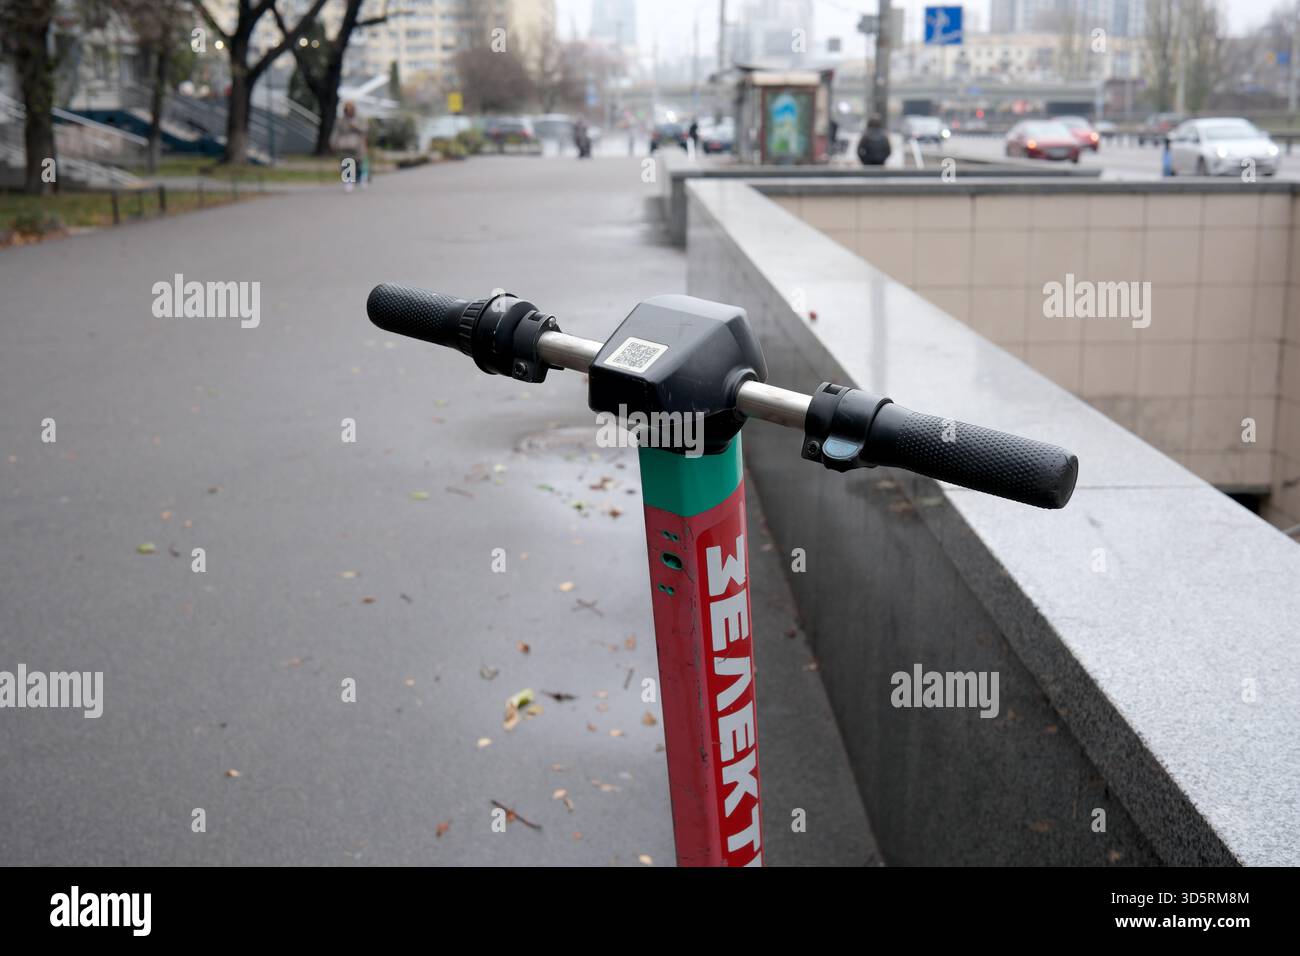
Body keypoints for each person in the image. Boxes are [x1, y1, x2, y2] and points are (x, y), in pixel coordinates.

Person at [331, 100, 370, 192]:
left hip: (358, 145)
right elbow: (336, 132)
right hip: (345, 145)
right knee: (346, 162)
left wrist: (355, 126)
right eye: (346, 110)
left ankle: (361, 179)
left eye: (350, 110)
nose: (348, 112)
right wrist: (333, 142)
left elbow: (365, 129)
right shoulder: (341, 120)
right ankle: (348, 182)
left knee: (358, 163)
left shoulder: (359, 119)